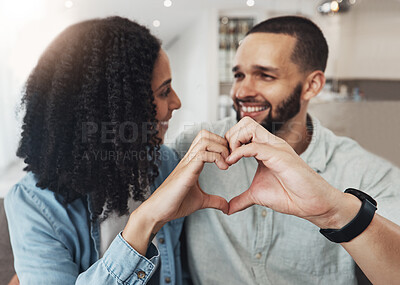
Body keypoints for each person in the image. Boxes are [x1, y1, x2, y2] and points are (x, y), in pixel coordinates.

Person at [173, 16, 400, 284]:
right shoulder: (195, 149)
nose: (242, 90)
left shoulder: (368, 173)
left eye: (265, 76)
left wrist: (335, 211)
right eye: (239, 75)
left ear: (312, 85)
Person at [5, 16, 229, 285]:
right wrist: (144, 222)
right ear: (114, 110)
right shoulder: (33, 205)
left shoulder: (165, 164)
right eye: (164, 91)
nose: (177, 102)